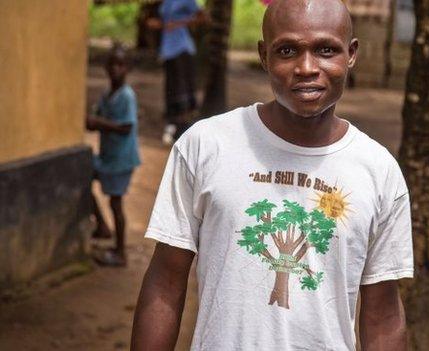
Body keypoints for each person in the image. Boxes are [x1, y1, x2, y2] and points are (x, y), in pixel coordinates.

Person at [131, 0, 413, 349]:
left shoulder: (378, 171)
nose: (307, 67)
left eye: (326, 50)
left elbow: (383, 313)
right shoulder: (206, 146)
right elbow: (166, 280)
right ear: (264, 55)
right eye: (287, 50)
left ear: (351, 54)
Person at [87, 45, 141, 267]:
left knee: (116, 203)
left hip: (121, 160)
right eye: (111, 64)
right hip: (108, 157)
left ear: (127, 68)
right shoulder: (106, 94)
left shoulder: (127, 96)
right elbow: (97, 116)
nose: (115, 69)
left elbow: (126, 127)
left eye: (120, 65)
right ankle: (102, 226)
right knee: (83, 176)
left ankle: (121, 253)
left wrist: (97, 123)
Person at [146, 0, 206, 145]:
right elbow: (164, 22)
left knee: (182, 88)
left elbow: (202, 17)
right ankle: (173, 126)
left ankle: (184, 129)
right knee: (171, 89)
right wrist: (159, 25)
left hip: (182, 49)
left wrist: (179, 24)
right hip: (168, 50)